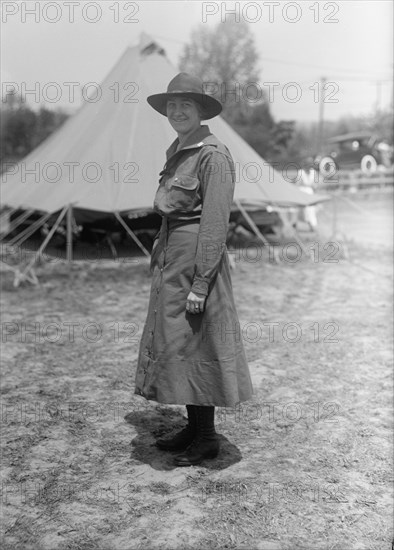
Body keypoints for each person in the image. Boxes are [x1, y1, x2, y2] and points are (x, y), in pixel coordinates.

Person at [134, 73, 253, 467]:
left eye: (186, 104)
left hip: (198, 265)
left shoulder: (212, 155)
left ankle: (206, 438)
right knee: (182, 345)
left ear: (201, 110)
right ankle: (193, 427)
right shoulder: (180, 149)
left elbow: (215, 224)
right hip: (172, 258)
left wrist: (201, 283)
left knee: (200, 346)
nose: (177, 111)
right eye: (172, 105)